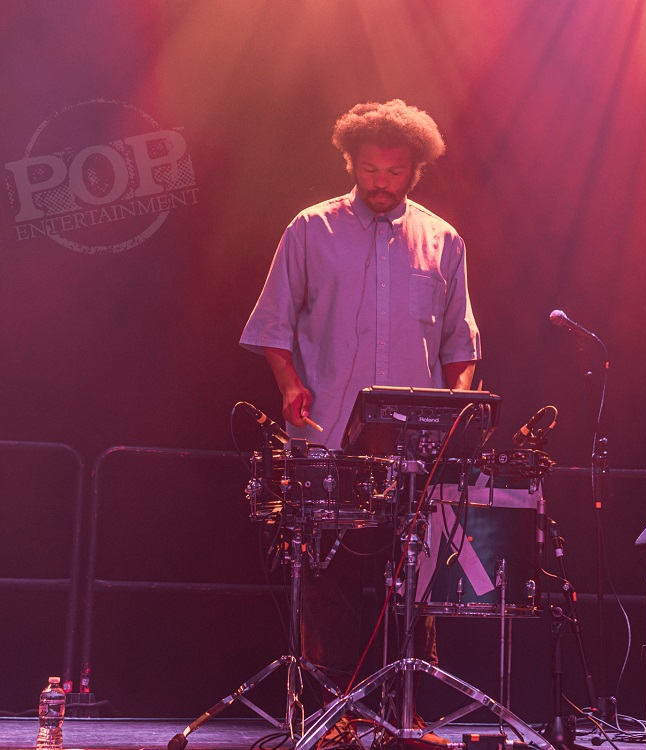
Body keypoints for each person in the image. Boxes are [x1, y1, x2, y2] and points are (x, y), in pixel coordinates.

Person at [240, 100, 481, 692]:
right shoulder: (310, 229)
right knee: (329, 578)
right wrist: (290, 385)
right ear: (352, 163)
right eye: (370, 169)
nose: (381, 183)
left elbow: (461, 343)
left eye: (394, 172)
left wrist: (454, 411)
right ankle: (334, 711)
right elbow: (273, 325)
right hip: (327, 435)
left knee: (415, 579)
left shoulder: (444, 240)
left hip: (413, 448)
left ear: (415, 171)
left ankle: (407, 712)